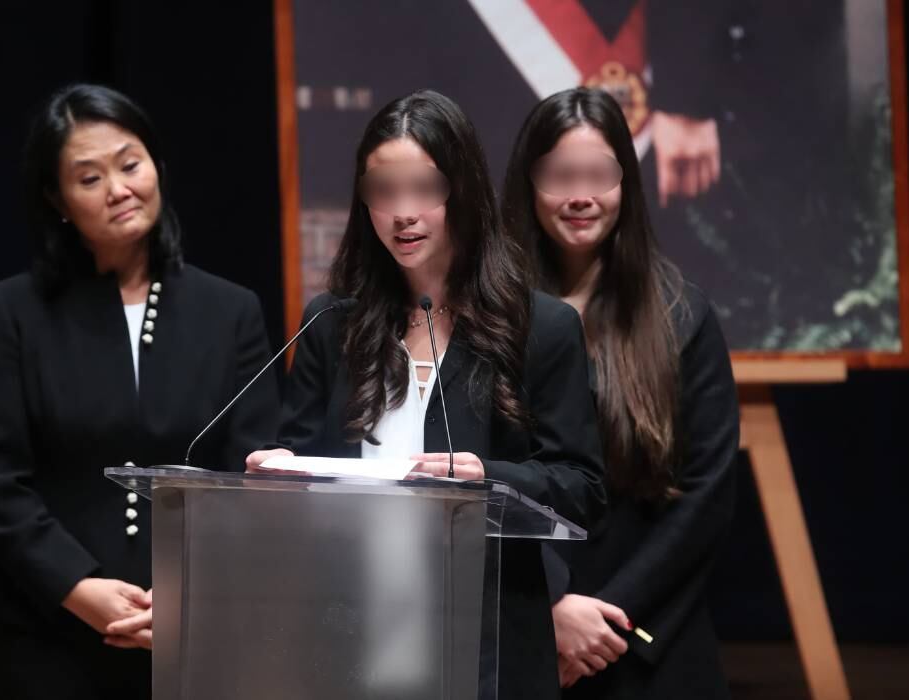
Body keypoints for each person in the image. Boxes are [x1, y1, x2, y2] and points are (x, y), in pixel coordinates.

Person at [241, 88, 607, 699]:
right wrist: (281, 474)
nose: (403, 211)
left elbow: (583, 486)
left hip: (485, 633)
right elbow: (303, 462)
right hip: (351, 626)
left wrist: (487, 477)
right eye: (383, 191)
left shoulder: (538, 327)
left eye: (424, 188)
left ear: (462, 191)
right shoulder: (332, 324)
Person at [0, 83, 279, 699]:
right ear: (57, 198)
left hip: (199, 620)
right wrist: (79, 589)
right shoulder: (12, 312)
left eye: (130, 164)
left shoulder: (231, 311)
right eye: (88, 178)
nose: (118, 189)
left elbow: (254, 475)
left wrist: (190, 592)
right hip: (50, 622)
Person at [501, 87, 739, 699]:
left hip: (646, 634)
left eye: (600, 174)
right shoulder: (487, 316)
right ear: (529, 183)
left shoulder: (681, 314)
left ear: (627, 184)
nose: (581, 195)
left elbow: (705, 498)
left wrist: (606, 616)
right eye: (560, 175)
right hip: (519, 631)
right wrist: (551, 610)